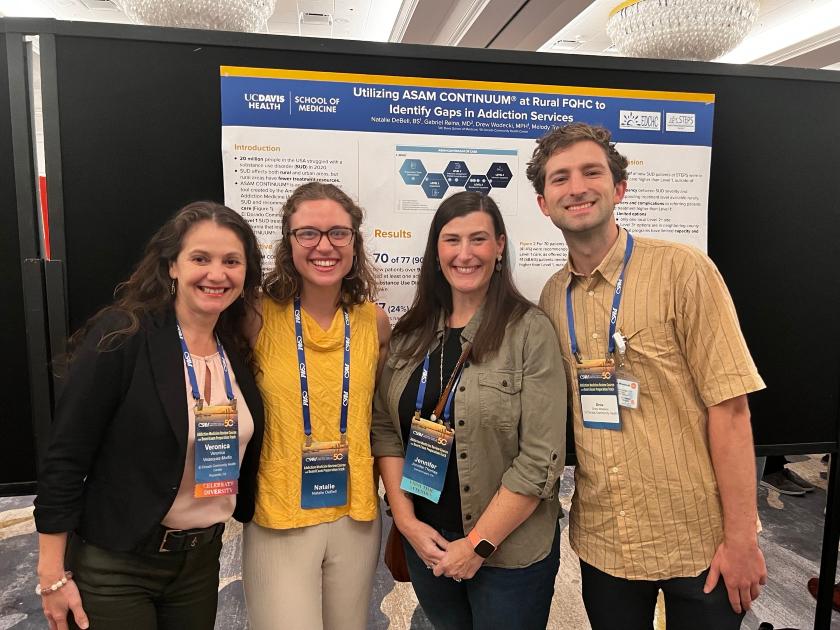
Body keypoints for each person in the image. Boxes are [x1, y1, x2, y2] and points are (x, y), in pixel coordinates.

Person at [528, 122, 767, 629]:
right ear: (544, 203)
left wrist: (742, 538)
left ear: (619, 188)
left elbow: (731, 408)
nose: (577, 187)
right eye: (560, 179)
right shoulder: (552, 297)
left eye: (591, 172)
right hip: (605, 543)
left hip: (697, 540)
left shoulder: (684, 271)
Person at [33, 201, 266, 630]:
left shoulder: (234, 347)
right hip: (118, 563)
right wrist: (51, 573)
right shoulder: (124, 335)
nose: (217, 274)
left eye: (232, 261)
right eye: (200, 258)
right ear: (171, 266)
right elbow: (65, 456)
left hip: (199, 562)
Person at [371, 191, 566, 630]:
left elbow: (541, 459)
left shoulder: (529, 332)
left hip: (507, 555)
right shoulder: (410, 335)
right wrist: (406, 523)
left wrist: (476, 545)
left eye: (478, 239)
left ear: (499, 246)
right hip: (427, 543)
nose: (464, 253)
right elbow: (384, 428)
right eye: (451, 239)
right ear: (436, 250)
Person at [241, 182, 391, 630]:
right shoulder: (255, 315)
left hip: (356, 514)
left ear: (354, 242)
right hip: (279, 515)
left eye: (338, 233)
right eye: (308, 233)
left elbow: (376, 416)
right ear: (289, 243)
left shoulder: (374, 321)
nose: (324, 246)